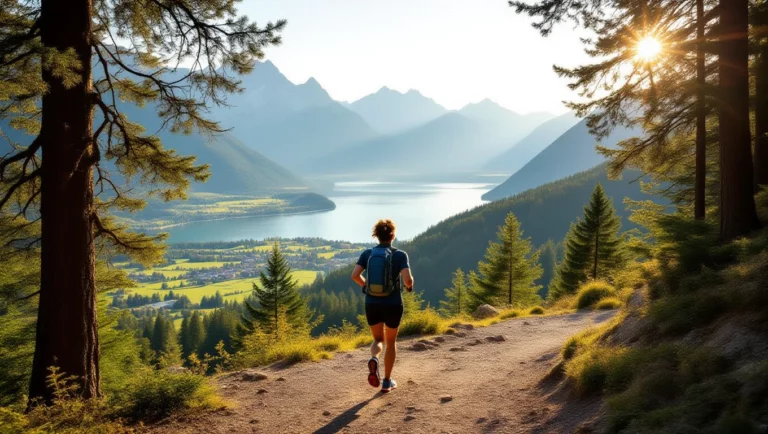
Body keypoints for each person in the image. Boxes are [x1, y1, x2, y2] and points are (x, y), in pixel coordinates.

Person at [351, 219, 414, 393]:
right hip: (393, 303)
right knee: (391, 341)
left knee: (378, 339)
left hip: (372, 303)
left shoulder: (367, 254)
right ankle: (386, 382)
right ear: (392, 235)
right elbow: (408, 279)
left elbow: (355, 275)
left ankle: (374, 358)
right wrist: (409, 287)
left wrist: (366, 286)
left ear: (377, 236)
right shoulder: (400, 255)